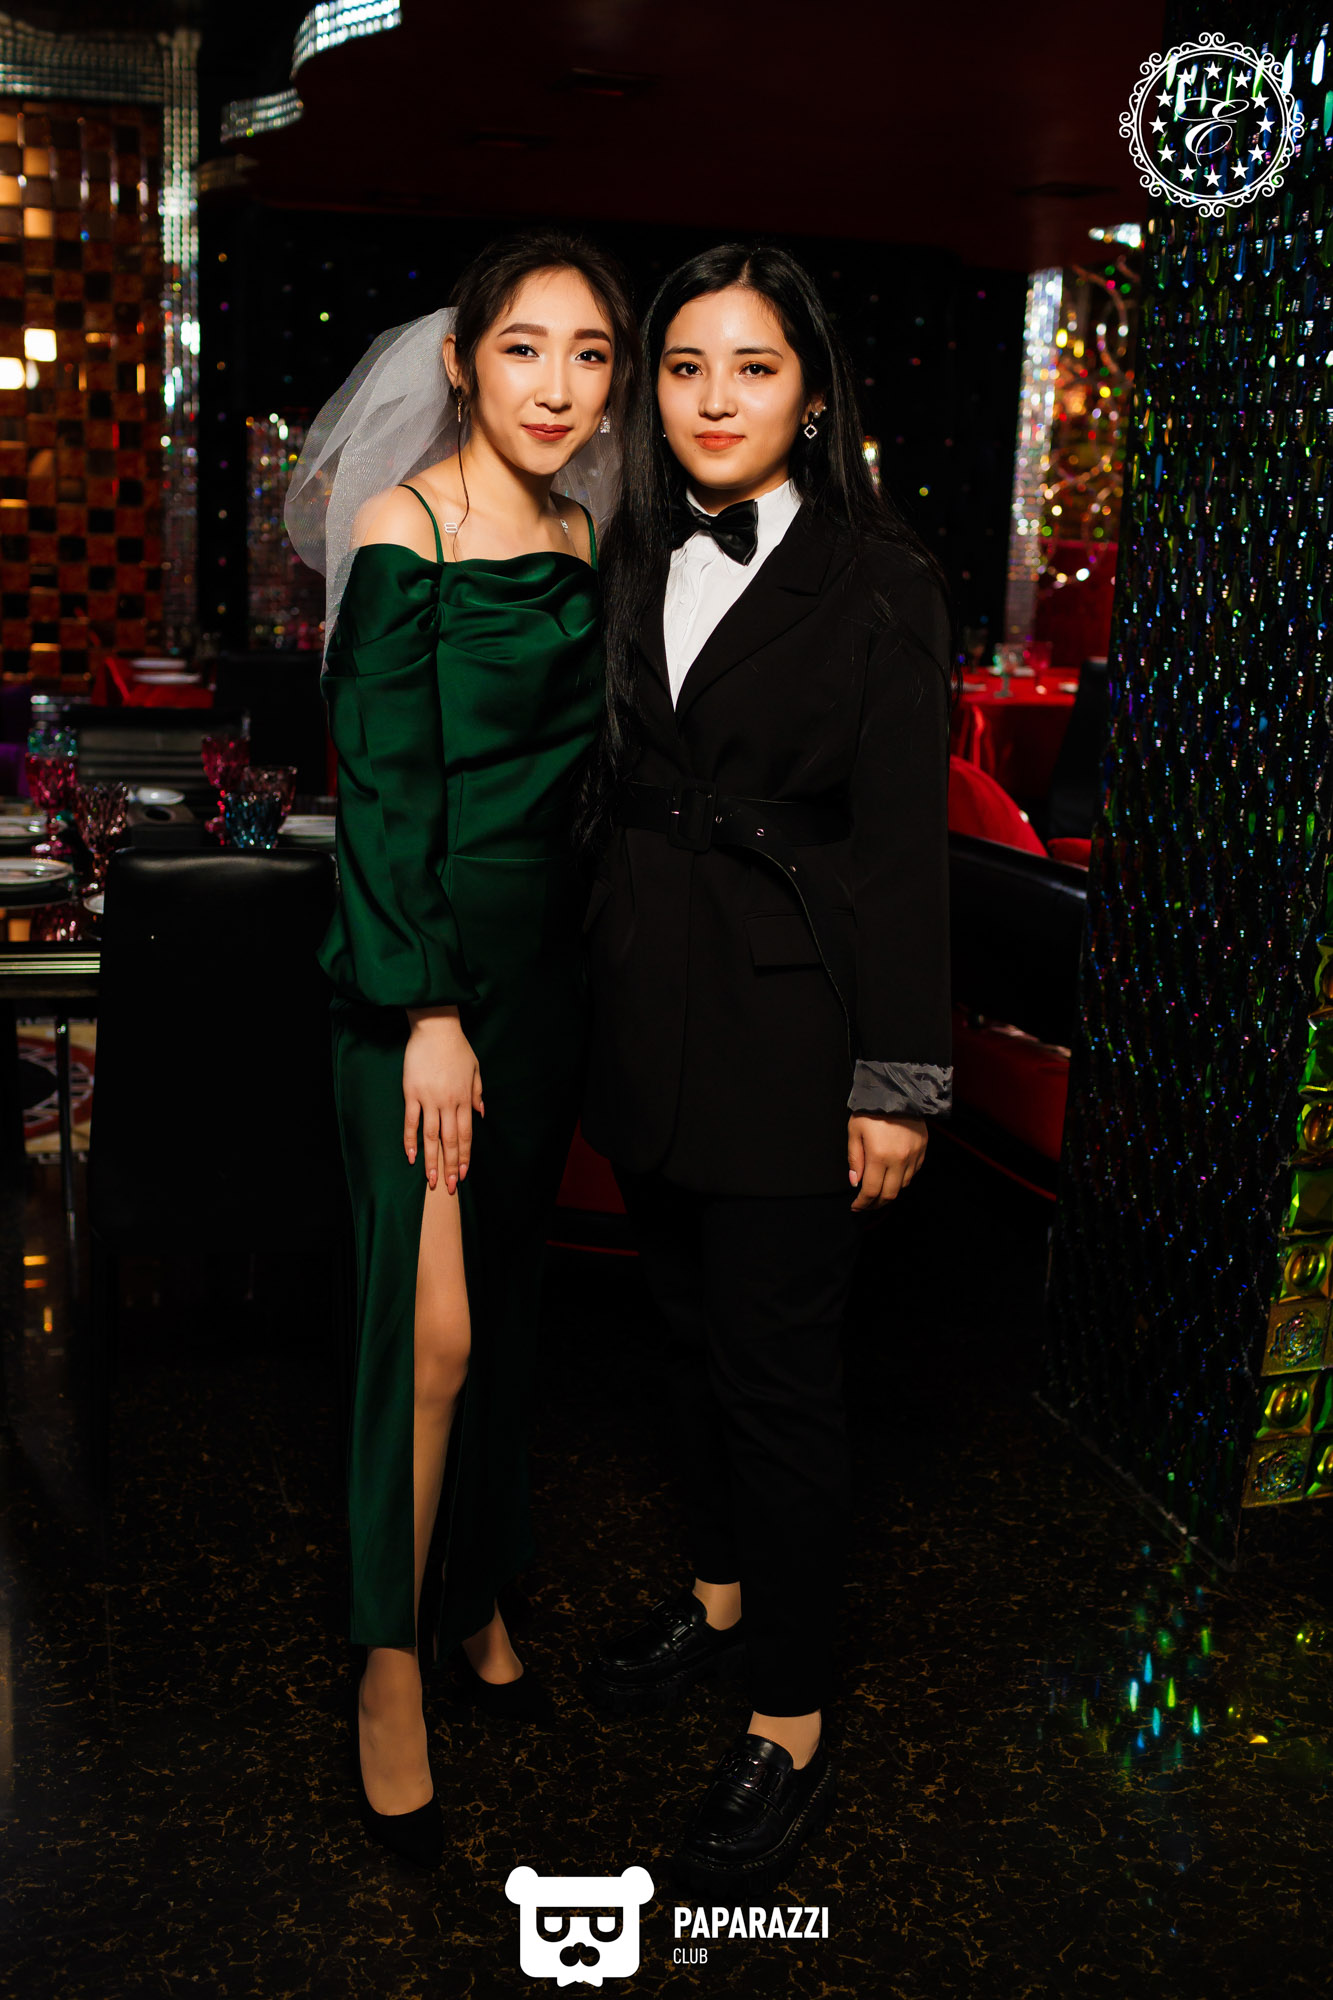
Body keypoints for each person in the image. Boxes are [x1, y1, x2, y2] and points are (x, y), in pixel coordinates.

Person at [579, 242, 955, 1898]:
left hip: (795, 1039)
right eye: (683, 368)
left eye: (751, 367)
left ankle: (788, 1717)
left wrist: (898, 1078)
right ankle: (720, 1601)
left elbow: (901, 851)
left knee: (779, 1386)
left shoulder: (881, 579)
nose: (714, 400)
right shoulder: (627, 549)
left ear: (810, 395)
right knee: (676, 1337)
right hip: (643, 1022)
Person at [285, 232, 636, 1867]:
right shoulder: (401, 527)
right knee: (423, 1336)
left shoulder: (579, 533)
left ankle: (478, 1586)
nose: (556, 386)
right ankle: (386, 1661)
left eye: (589, 354)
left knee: (503, 1306)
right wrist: (426, 1013)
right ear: (459, 361)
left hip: (541, 979)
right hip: (411, 978)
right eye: (523, 348)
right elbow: (380, 789)